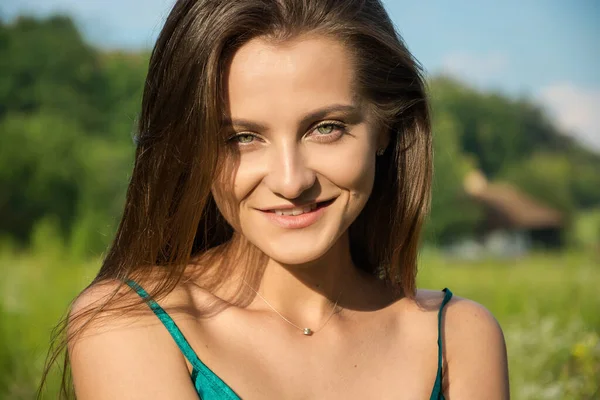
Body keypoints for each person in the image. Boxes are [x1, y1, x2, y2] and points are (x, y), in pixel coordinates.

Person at [62, 0, 510, 398]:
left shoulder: (459, 338)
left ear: (384, 128)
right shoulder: (129, 324)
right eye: (242, 137)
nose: (291, 181)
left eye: (326, 128)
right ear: (192, 149)